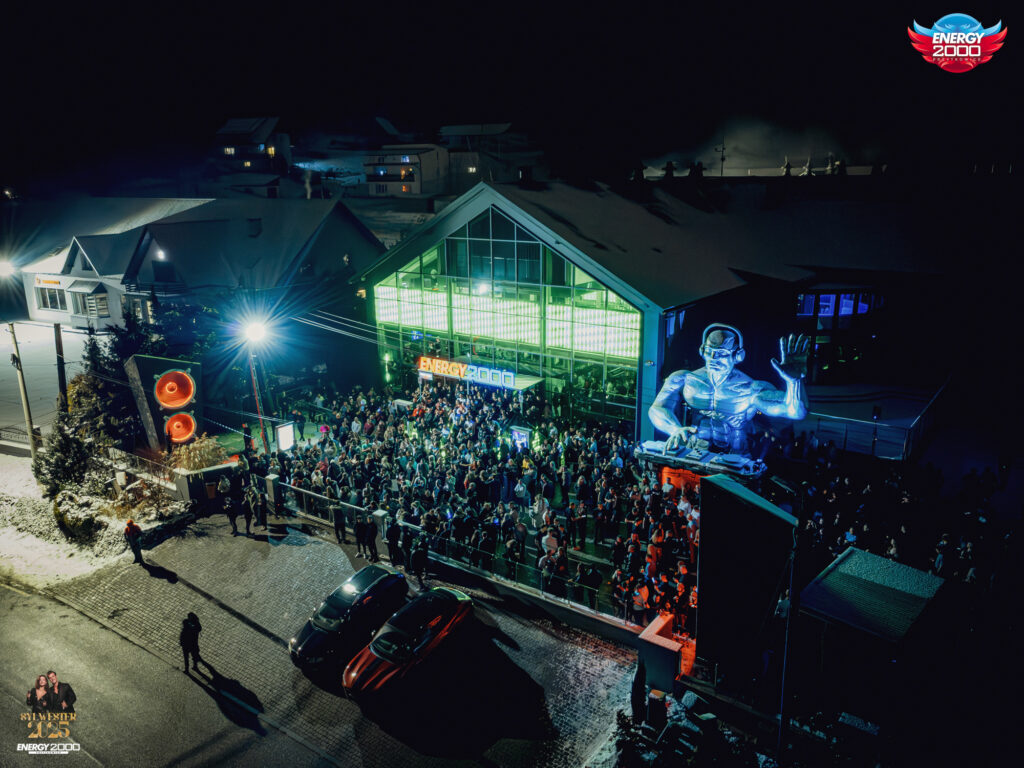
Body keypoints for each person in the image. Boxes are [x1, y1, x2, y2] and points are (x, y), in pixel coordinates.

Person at [649, 324, 809, 456]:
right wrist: (674, 429)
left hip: (734, 457)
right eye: (709, 352)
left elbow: (794, 412)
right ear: (702, 351)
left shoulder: (751, 389)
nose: (713, 358)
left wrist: (794, 382)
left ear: (737, 355)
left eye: (721, 353)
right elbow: (656, 409)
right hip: (695, 451)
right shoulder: (685, 378)